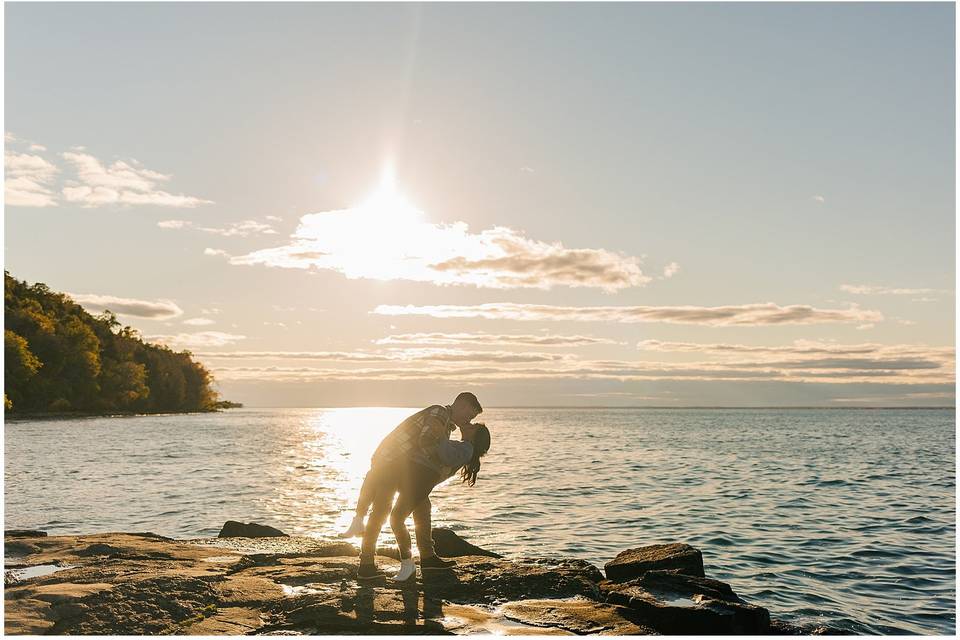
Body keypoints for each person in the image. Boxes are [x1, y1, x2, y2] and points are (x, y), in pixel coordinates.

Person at [388, 422, 491, 582]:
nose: (469, 424)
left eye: (473, 427)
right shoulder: (464, 447)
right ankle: (428, 558)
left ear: (475, 438)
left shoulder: (467, 449)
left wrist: (441, 434)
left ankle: (407, 562)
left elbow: (446, 455)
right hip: (421, 483)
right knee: (422, 515)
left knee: (396, 519)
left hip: (420, 483)